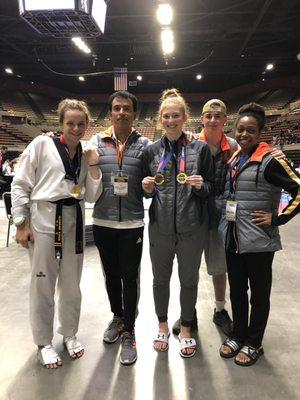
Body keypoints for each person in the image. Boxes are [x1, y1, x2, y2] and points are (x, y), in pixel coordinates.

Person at [11, 99, 102, 369]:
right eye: (70, 123)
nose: (75, 128)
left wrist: (95, 166)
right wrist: (20, 222)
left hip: (73, 223)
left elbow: (94, 196)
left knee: (72, 286)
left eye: (81, 124)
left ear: (86, 126)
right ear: (61, 124)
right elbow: (20, 183)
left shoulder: (86, 154)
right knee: (43, 286)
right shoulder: (41, 145)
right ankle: (43, 342)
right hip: (43, 224)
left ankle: (70, 333)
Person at [218, 103, 300, 366]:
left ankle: (254, 342)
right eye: (240, 129)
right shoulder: (234, 158)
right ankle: (237, 334)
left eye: (250, 130)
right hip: (233, 239)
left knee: (259, 295)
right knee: (238, 291)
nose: (244, 135)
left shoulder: (272, 160)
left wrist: (277, 218)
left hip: (260, 241)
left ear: (260, 132)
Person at [142, 89, 214, 358]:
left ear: (185, 117)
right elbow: (142, 190)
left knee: (189, 281)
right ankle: (162, 326)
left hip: (191, 228)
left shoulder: (200, 149)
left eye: (176, 115)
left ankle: (185, 328)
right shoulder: (151, 151)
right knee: (160, 280)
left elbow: (212, 187)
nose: (171, 120)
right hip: (160, 227)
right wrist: (146, 187)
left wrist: (200, 187)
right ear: (160, 119)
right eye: (166, 116)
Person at [91, 90, 150, 366]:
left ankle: (130, 331)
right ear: (111, 112)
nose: (121, 112)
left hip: (132, 222)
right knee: (111, 275)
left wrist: (150, 187)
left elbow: (152, 184)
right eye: (116, 108)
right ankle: (117, 317)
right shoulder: (96, 142)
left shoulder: (146, 145)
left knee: (130, 277)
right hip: (102, 221)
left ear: (134, 113)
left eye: (127, 108)